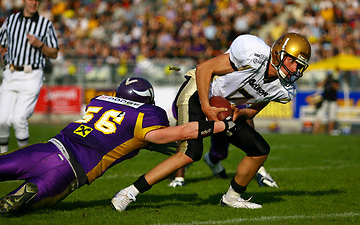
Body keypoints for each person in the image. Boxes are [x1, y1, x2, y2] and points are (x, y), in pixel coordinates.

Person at [112, 32, 311, 211]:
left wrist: (240, 113)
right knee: (190, 152)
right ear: (278, 53)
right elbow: (204, 68)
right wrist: (206, 106)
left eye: (299, 66)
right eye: (292, 61)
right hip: (199, 93)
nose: (294, 69)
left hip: (223, 108)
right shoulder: (253, 52)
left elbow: (252, 110)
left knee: (259, 150)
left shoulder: (285, 90)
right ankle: (128, 192)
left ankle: (232, 198)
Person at [0, 77, 234, 214]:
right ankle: (32, 191)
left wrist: (143, 143)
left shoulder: (99, 100)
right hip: (73, 169)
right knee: (37, 199)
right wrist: (221, 127)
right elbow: (179, 132)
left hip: (50, 147)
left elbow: (108, 131)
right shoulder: (146, 114)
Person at [0, 0, 59, 153]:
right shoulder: (11, 21)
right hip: (10, 73)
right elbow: (1, 43)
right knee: (2, 120)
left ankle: (24, 159)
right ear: (24, 0)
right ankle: (4, 158)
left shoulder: (45, 25)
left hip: (31, 74)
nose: (33, 3)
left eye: (37, 0)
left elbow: (54, 53)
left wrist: (39, 44)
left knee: (19, 118)